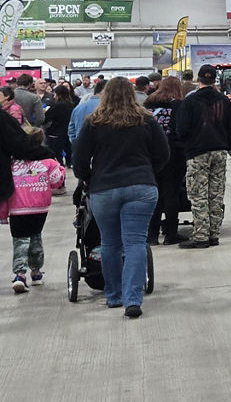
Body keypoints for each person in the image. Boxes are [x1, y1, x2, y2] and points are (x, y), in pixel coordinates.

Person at [71, 78, 169, 319]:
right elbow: (164, 154)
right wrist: (147, 171)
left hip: (104, 189)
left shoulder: (93, 122)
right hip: (141, 187)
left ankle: (113, 295)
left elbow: (79, 160)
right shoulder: (146, 120)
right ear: (132, 95)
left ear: (105, 95)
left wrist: (87, 178)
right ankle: (133, 300)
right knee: (135, 243)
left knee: (110, 244)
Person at [174, 64, 231, 249]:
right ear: (215, 80)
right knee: (216, 194)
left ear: (198, 80)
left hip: (197, 152)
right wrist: (227, 147)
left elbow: (181, 130)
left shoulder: (189, 102)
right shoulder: (224, 101)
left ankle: (201, 236)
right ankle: (214, 234)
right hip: (220, 152)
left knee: (198, 195)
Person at [5, 133, 65, 293]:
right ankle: (36, 272)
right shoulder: (48, 160)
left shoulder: (10, 162)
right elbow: (57, 181)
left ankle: (20, 274)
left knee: (20, 241)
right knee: (35, 237)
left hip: (18, 207)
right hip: (40, 207)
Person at [143, 76, 186, 245]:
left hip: (151, 154)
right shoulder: (179, 105)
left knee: (155, 194)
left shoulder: (148, 103)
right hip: (174, 154)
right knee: (171, 193)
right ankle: (171, 233)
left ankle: (152, 234)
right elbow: (181, 130)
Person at [68, 78, 106, 153]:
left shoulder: (78, 108)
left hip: (81, 148)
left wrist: (76, 143)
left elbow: (71, 129)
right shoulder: (108, 108)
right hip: (102, 151)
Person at [42, 86, 75, 168]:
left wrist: (44, 112)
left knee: (56, 154)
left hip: (55, 133)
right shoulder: (71, 105)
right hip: (67, 132)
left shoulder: (56, 106)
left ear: (57, 94)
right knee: (68, 151)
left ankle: (59, 167)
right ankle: (69, 163)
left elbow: (46, 118)